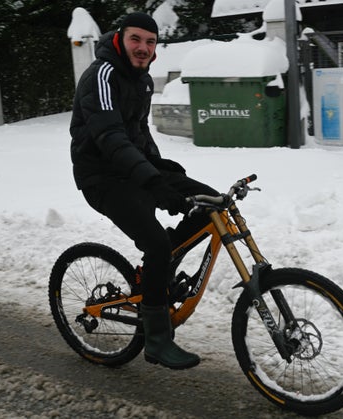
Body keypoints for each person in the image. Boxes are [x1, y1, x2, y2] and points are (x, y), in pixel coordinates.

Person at [69, 11, 218, 370]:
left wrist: (160, 168)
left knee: (212, 204)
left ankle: (160, 272)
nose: (143, 48)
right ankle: (157, 340)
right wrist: (152, 180)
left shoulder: (143, 79)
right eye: (136, 39)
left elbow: (137, 133)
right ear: (120, 38)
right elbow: (110, 137)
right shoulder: (102, 75)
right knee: (155, 242)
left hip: (131, 169)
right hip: (101, 177)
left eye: (150, 42)